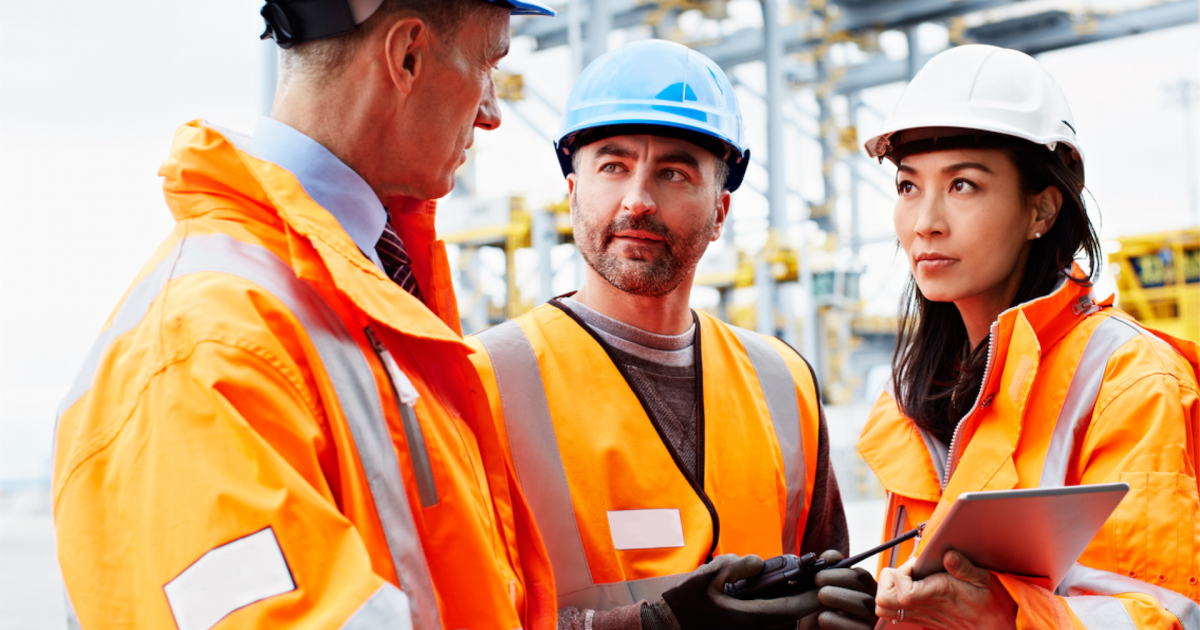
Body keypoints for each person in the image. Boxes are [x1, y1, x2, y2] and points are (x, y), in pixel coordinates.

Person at [51, 1, 559, 629]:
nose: (492, 112)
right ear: (406, 56)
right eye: (488, 64)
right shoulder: (209, 343)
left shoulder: (354, 290)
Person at [465, 39, 859, 630]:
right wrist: (646, 626)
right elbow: (455, 612)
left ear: (720, 212)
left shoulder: (784, 382)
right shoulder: (482, 379)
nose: (638, 200)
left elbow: (820, 574)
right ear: (573, 194)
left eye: (673, 172)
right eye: (613, 166)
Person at [813, 44, 1200, 629]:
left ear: (1041, 211)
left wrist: (1003, 618)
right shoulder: (917, 393)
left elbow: (1162, 614)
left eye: (963, 185)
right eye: (909, 187)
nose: (925, 223)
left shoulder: (1129, 379)